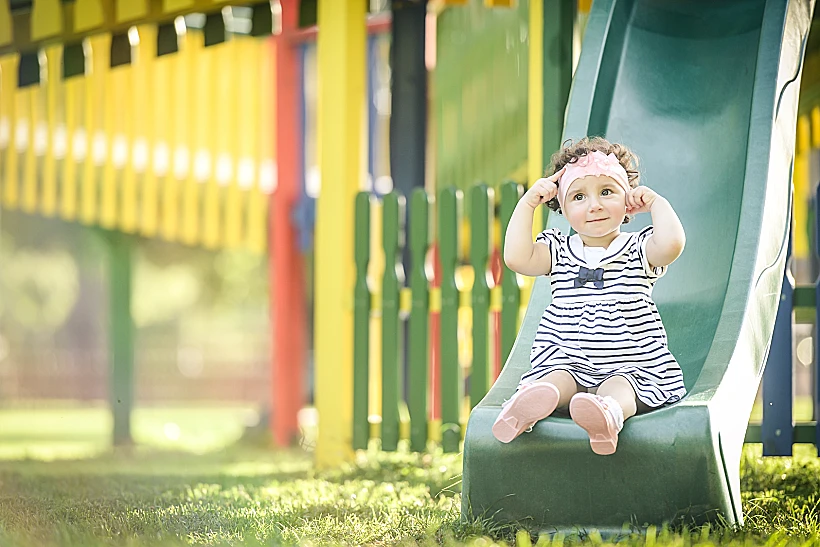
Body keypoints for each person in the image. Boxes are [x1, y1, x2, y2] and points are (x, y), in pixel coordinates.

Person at [492, 136, 687, 455]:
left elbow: (672, 245)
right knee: (555, 380)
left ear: (628, 201)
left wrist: (656, 203)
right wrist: (528, 203)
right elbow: (516, 257)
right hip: (568, 359)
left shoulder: (638, 248)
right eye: (579, 196)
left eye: (607, 192)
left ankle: (608, 414)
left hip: (628, 362)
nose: (594, 205)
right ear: (563, 208)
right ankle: (525, 407)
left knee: (620, 387)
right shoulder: (558, 250)